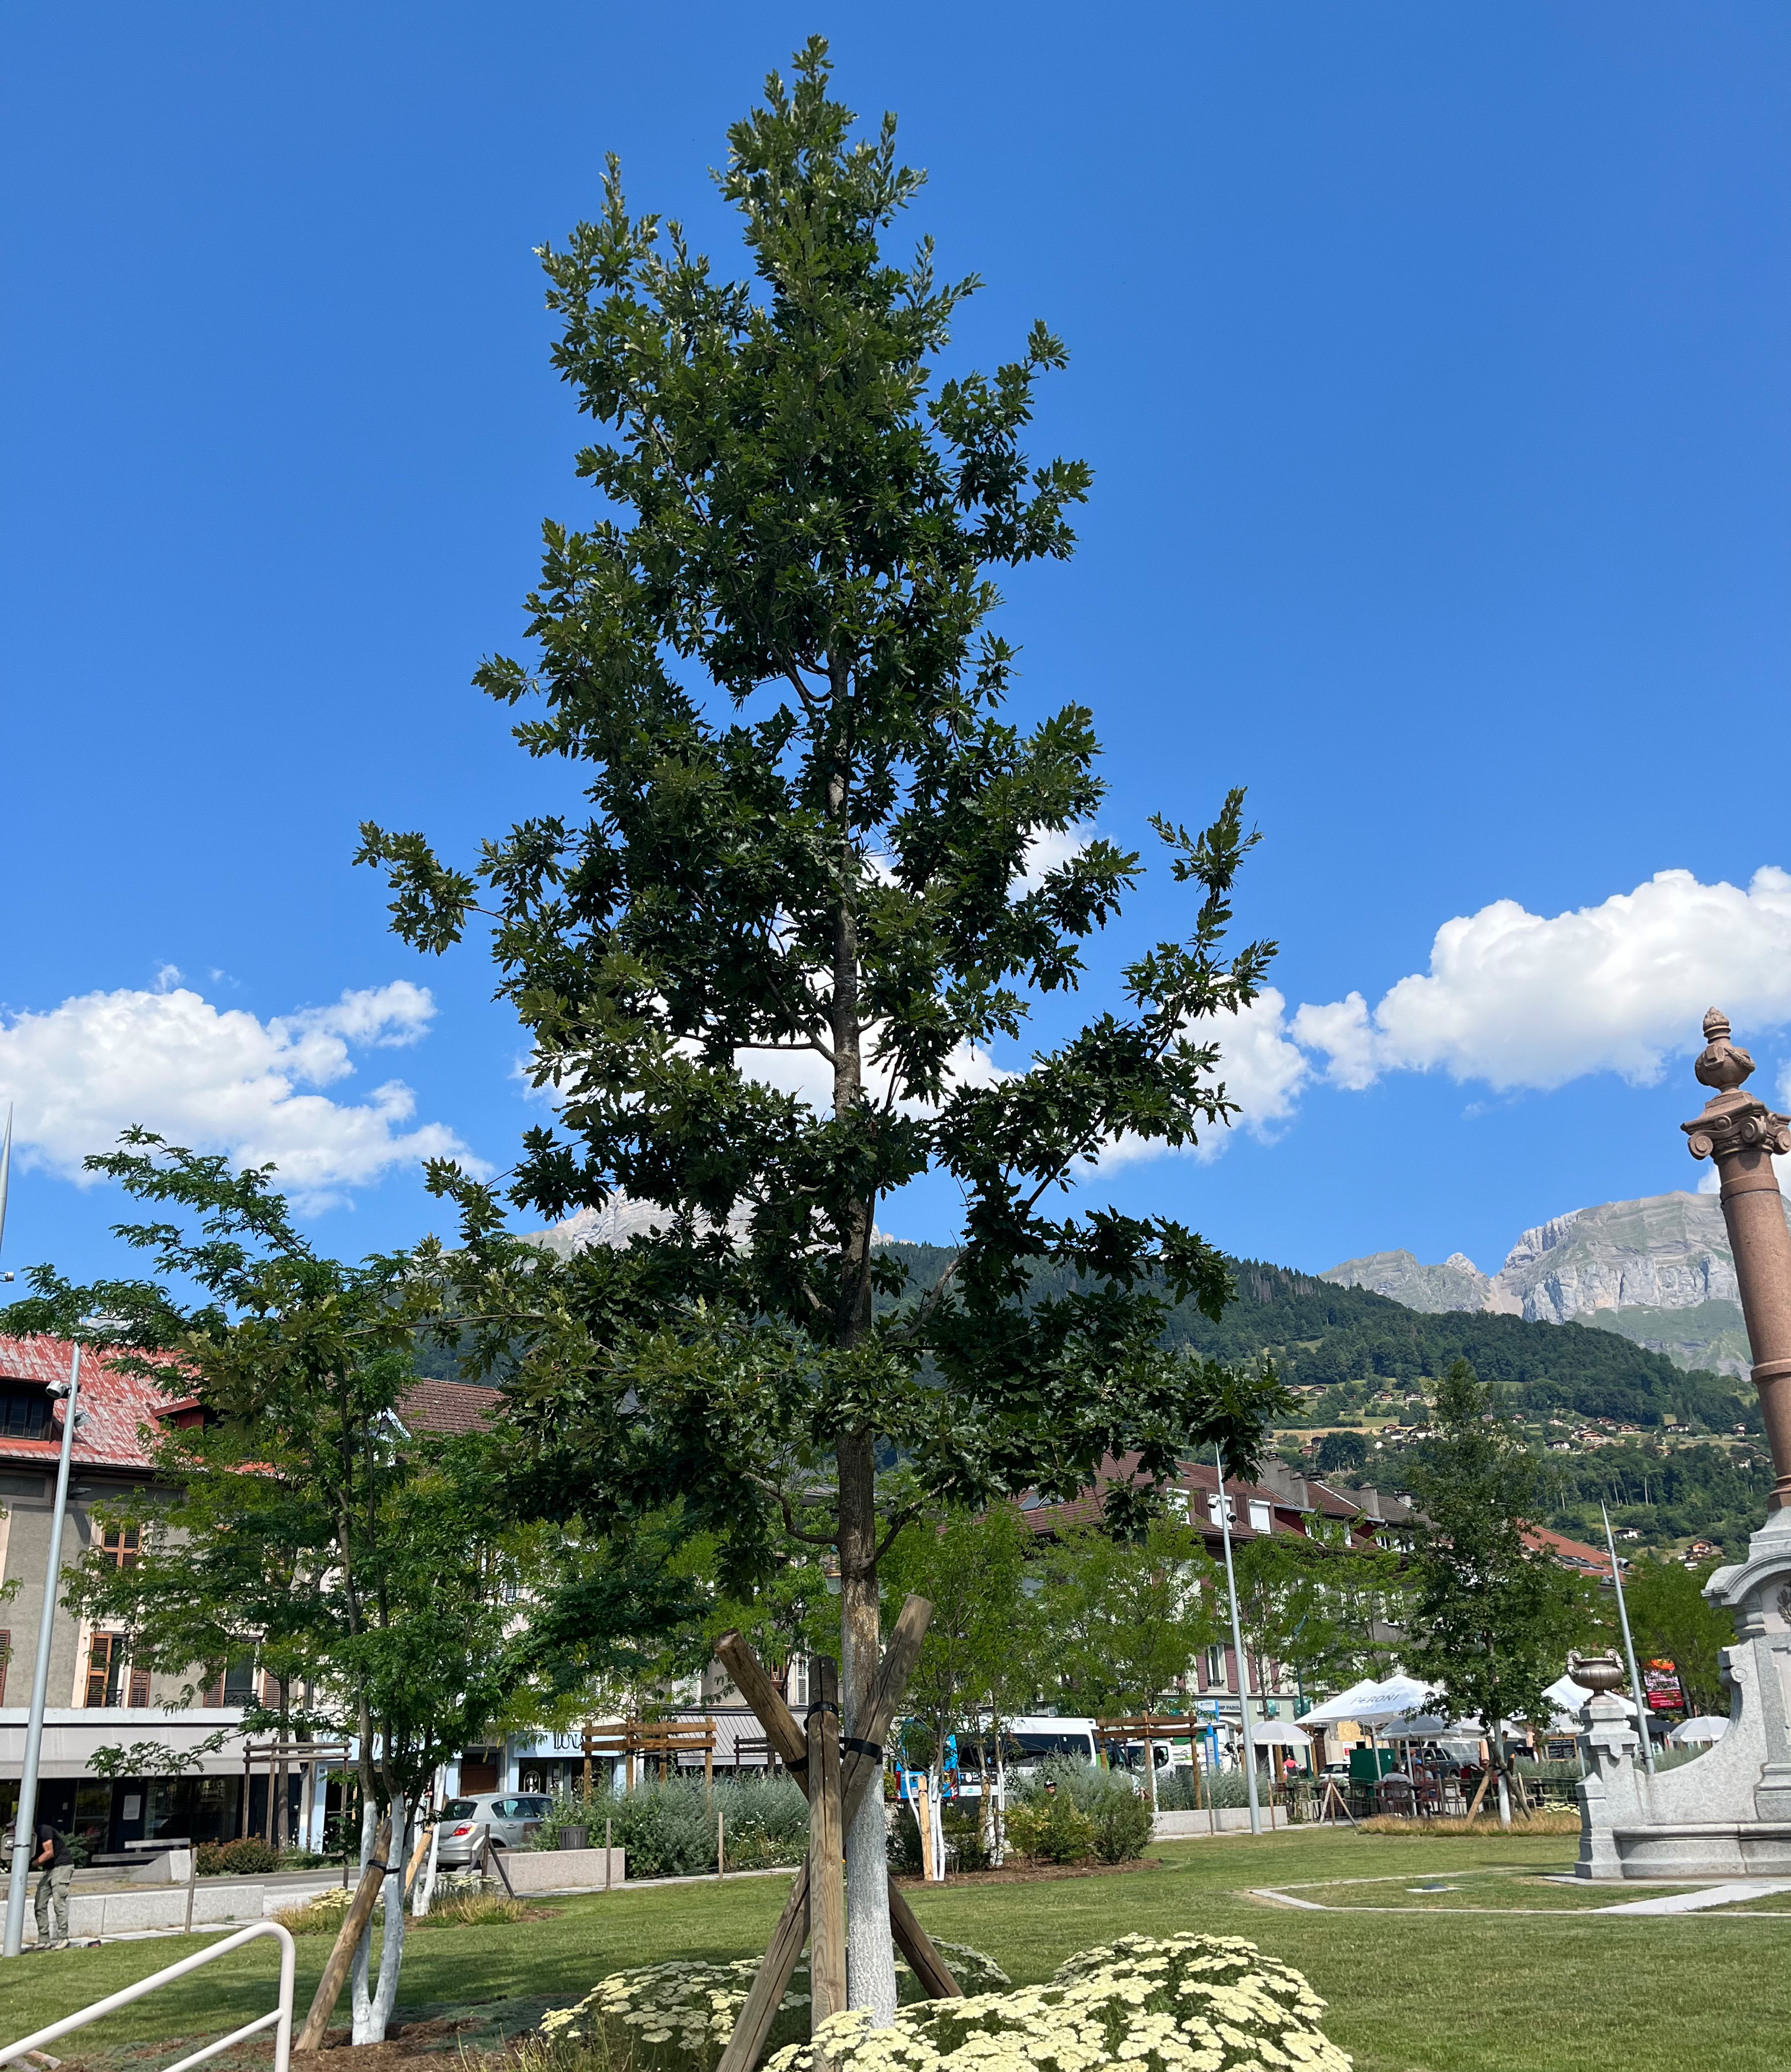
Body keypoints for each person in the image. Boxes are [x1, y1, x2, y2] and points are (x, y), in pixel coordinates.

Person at [33, 1817, 73, 1948]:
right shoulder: (28, 1839)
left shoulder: (44, 1830)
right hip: (49, 1869)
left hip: (62, 1866)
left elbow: (49, 1853)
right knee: (39, 1903)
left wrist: (34, 1863)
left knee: (58, 1902)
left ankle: (63, 1938)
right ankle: (44, 1940)